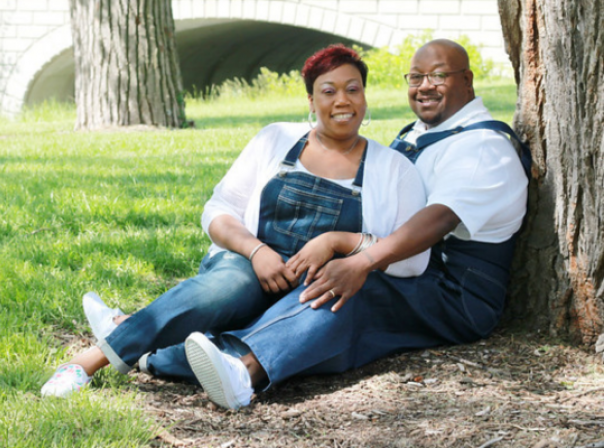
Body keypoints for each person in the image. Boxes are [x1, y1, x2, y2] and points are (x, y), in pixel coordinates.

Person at [40, 44, 429, 398]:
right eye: (329, 91)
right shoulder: (275, 139)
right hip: (248, 269)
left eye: (353, 89)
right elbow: (217, 209)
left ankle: (163, 349)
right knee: (230, 285)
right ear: (311, 100)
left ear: (365, 95)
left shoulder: (393, 169)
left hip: (308, 291)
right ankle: (88, 361)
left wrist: (340, 241)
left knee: (332, 305)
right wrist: (256, 251)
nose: (342, 100)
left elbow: (413, 262)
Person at [181, 38, 531, 410]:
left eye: (439, 75)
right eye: (415, 77)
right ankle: (157, 349)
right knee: (300, 279)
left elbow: (438, 219)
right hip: (410, 264)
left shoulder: (483, 148)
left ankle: (243, 371)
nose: (425, 85)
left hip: (454, 291)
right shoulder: (422, 133)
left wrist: (359, 259)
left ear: (468, 80)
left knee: (344, 290)